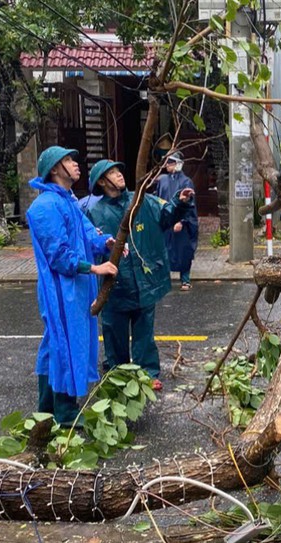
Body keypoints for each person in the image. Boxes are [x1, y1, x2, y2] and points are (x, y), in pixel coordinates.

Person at [26, 146, 118, 428]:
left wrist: (107, 244)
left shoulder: (68, 201)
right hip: (61, 290)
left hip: (76, 288)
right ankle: (62, 414)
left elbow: (88, 234)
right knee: (63, 345)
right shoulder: (44, 207)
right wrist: (94, 267)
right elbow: (59, 255)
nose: (75, 165)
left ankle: (48, 413)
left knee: (60, 344)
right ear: (55, 170)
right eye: (67, 160)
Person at [86, 159, 195, 391]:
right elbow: (90, 244)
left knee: (144, 332)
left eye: (118, 171)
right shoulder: (95, 212)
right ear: (102, 182)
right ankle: (118, 374)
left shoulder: (140, 201)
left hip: (144, 282)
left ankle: (148, 373)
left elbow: (165, 215)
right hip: (115, 285)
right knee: (114, 334)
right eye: (112, 173)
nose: (119, 175)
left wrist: (180, 202)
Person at [154, 151, 198, 291]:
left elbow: (190, 204)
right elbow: (158, 199)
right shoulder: (162, 180)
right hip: (166, 221)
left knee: (183, 251)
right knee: (164, 251)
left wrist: (182, 220)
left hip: (182, 225)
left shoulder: (186, 181)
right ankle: (164, 280)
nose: (167, 165)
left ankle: (185, 279)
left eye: (170, 162)